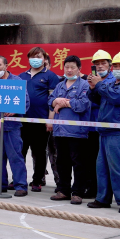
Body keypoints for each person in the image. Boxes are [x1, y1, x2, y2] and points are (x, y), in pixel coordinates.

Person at [88, 51, 120, 213]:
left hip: (119, 131)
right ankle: (103, 198)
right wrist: (92, 89)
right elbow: (98, 99)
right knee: (102, 167)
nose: (118, 68)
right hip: (105, 130)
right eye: (116, 66)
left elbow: (116, 98)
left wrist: (99, 85)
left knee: (119, 167)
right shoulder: (111, 84)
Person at [47, 55, 91, 203]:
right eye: (67, 67)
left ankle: (78, 192)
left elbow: (83, 105)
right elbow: (50, 101)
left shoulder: (84, 85)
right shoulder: (60, 85)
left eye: (73, 67)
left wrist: (63, 103)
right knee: (62, 162)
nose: (70, 70)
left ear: (79, 69)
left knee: (78, 163)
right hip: (60, 131)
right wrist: (55, 101)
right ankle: (63, 190)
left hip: (77, 132)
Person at [0, 56, 28, 196]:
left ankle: (20, 186)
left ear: (6, 66)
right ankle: (0, 184)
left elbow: (25, 102)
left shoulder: (16, 81)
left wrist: (15, 110)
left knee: (15, 156)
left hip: (11, 126)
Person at [19, 47, 60, 193]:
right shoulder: (21, 76)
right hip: (22, 121)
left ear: (44, 59)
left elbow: (52, 100)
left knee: (39, 152)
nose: (35, 59)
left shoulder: (50, 76)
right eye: (32, 56)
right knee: (20, 151)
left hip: (40, 121)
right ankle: (19, 179)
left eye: (39, 56)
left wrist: (50, 120)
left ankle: (37, 180)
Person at [83, 51, 113, 200]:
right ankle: (93, 188)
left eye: (103, 63)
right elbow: (92, 99)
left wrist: (98, 85)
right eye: (97, 64)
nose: (100, 66)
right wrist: (92, 87)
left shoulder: (114, 80)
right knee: (91, 160)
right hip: (91, 126)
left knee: (108, 163)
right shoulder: (93, 80)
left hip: (107, 127)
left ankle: (106, 192)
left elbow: (105, 100)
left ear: (110, 65)